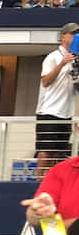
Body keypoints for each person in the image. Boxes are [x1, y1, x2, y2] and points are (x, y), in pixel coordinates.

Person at [34, 23, 79, 178]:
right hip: (49, 110)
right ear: (63, 36)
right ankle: (39, 182)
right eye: (72, 34)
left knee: (60, 153)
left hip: (66, 113)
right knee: (46, 150)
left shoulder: (76, 59)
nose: (75, 37)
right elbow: (45, 81)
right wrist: (62, 63)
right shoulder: (52, 57)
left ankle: (54, 182)